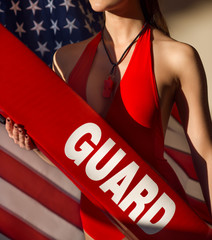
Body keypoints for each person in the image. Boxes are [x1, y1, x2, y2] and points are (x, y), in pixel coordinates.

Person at [5, 0, 212, 239]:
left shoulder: (177, 57)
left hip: (158, 218)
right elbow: (76, 156)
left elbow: (205, 153)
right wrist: (33, 145)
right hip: (98, 222)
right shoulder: (65, 60)